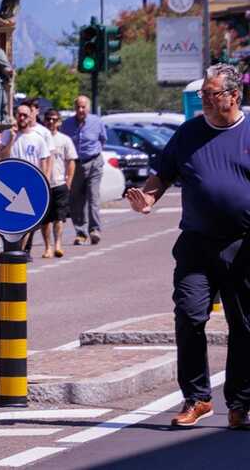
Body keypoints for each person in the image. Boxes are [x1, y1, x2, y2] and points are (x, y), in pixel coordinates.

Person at [125, 64, 250, 430]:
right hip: (196, 245)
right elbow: (163, 174)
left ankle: (240, 404)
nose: (206, 102)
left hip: (244, 248)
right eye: (203, 96)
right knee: (189, 316)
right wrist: (147, 199)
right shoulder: (189, 133)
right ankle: (198, 398)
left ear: (234, 96)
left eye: (213, 95)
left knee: (244, 326)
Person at [0, 104, 51, 260]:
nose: (21, 118)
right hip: (10, 184)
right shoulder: (7, 135)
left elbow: (45, 161)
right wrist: (12, 139)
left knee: (27, 221)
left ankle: (22, 250)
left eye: (25, 115)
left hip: (31, 183)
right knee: (11, 219)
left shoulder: (37, 138)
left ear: (31, 117)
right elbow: (1, 156)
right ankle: (17, 250)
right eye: (19, 115)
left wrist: (44, 184)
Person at [61, 95, 107, 246]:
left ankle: (95, 230)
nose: (81, 110)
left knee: (93, 196)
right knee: (76, 200)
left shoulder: (97, 122)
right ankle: (81, 233)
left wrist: (95, 153)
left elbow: (102, 140)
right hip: (76, 164)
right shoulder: (67, 125)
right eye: (78, 107)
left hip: (94, 162)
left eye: (83, 107)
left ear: (88, 107)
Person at [41, 109, 77, 259]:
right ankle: (47, 247)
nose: (51, 122)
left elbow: (71, 161)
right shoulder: (40, 138)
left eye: (54, 119)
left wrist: (68, 180)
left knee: (60, 217)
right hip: (44, 184)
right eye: (48, 119)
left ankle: (58, 245)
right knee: (45, 219)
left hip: (59, 183)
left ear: (59, 122)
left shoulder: (64, 140)